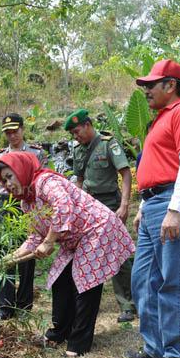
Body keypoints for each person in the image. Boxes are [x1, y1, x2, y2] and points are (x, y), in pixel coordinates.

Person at [0, 152, 134, 357]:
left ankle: (78, 343)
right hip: (73, 239)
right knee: (60, 280)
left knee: (86, 282)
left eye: (9, 177)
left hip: (96, 229)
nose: (7, 184)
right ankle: (59, 333)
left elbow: (63, 207)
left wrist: (49, 241)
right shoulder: (27, 203)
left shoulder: (45, 182)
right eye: (3, 181)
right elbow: (34, 237)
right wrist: (11, 257)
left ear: (20, 170)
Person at [125, 59, 180, 358]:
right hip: (154, 203)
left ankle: (178, 353)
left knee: (176, 279)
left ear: (170, 85)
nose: (145, 90)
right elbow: (159, 165)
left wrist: (174, 209)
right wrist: (145, 207)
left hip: (174, 202)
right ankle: (155, 346)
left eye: (151, 84)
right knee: (144, 279)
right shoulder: (162, 119)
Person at [64, 108, 135, 323]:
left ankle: (128, 304)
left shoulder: (108, 143)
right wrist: (74, 206)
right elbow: (79, 178)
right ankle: (85, 300)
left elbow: (125, 173)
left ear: (88, 125)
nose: (76, 137)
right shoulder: (78, 149)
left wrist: (124, 205)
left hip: (109, 204)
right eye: (73, 134)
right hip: (88, 206)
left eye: (77, 131)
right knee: (85, 253)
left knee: (117, 254)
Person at [0, 113, 47, 320]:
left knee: (27, 255)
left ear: (22, 129)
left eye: (15, 131)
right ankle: (4, 306)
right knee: (5, 255)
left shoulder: (36, 153)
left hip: (28, 204)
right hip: (5, 205)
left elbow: (42, 181)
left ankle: (23, 305)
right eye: (8, 132)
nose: (12, 135)